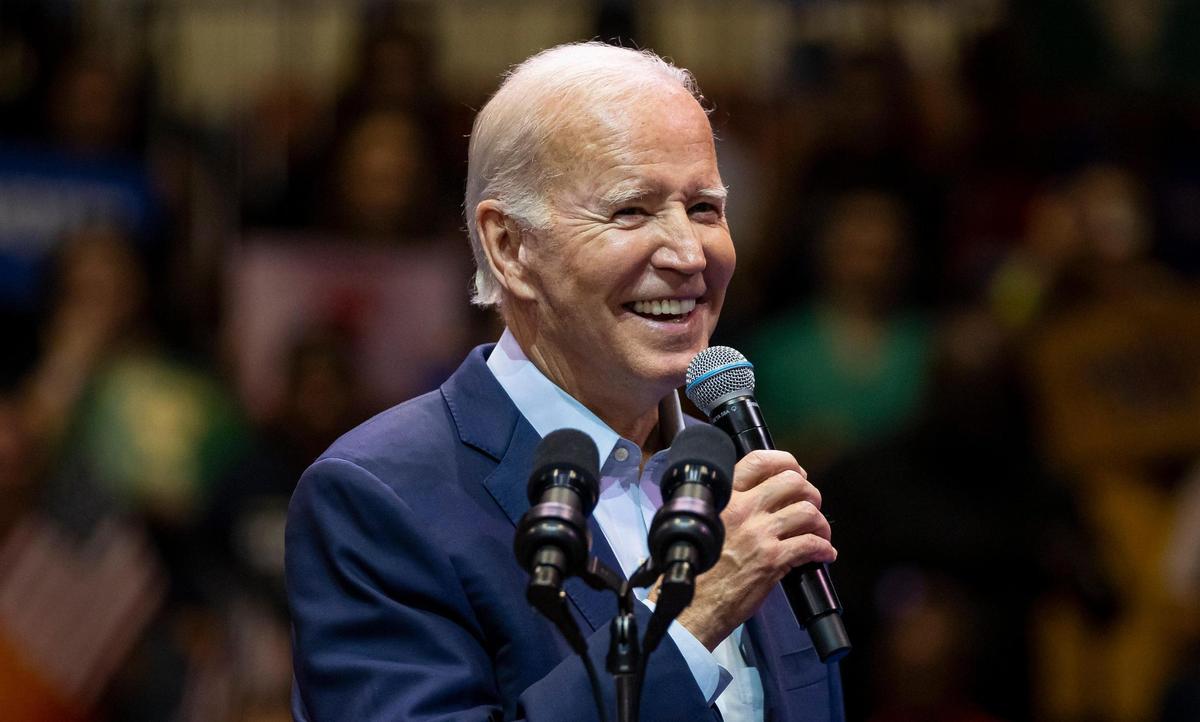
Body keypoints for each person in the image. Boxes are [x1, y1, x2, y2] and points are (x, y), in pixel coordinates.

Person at [286, 42, 844, 722]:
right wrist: (691, 615)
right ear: (510, 247)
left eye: (704, 208)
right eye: (631, 210)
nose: (689, 254)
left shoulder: (740, 485)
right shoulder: (378, 498)